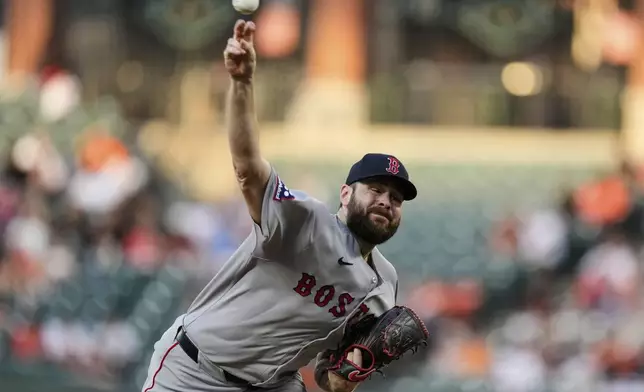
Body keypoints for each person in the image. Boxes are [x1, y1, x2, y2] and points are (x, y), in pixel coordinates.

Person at [140, 20, 418, 392]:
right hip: (196, 372)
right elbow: (247, 167)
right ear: (346, 194)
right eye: (376, 190)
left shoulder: (385, 285)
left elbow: (331, 381)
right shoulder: (305, 221)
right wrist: (241, 85)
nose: (386, 201)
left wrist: (351, 371)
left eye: (396, 199)